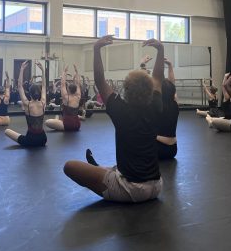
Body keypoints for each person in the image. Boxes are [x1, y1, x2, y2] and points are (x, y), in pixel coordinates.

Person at [63, 36, 163, 203]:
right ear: (150, 90)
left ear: (127, 90)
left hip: (131, 190)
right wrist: (161, 50)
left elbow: (100, 80)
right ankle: (108, 171)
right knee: (112, 169)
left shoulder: (121, 110)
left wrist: (96, 49)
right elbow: (158, 78)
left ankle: (110, 174)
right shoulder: (156, 105)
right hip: (156, 186)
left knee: (70, 166)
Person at [4, 61, 47, 147]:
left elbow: (19, 86)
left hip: (30, 140)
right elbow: (44, 86)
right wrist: (42, 71)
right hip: (43, 139)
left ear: (30, 94)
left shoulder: (27, 104)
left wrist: (22, 69)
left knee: (7, 131)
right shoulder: (43, 102)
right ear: (39, 93)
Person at [44, 64, 82, 132]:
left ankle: (58, 121)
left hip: (67, 125)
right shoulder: (78, 96)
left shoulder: (66, 97)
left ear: (68, 90)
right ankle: (58, 121)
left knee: (47, 122)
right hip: (77, 125)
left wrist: (64, 71)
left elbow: (63, 84)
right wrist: (76, 72)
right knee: (58, 120)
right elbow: (78, 84)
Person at [156, 58, 179, 160]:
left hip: (158, 150)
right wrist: (170, 66)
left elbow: (147, 84)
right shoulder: (175, 105)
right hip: (173, 150)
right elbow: (173, 85)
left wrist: (143, 65)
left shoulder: (155, 106)